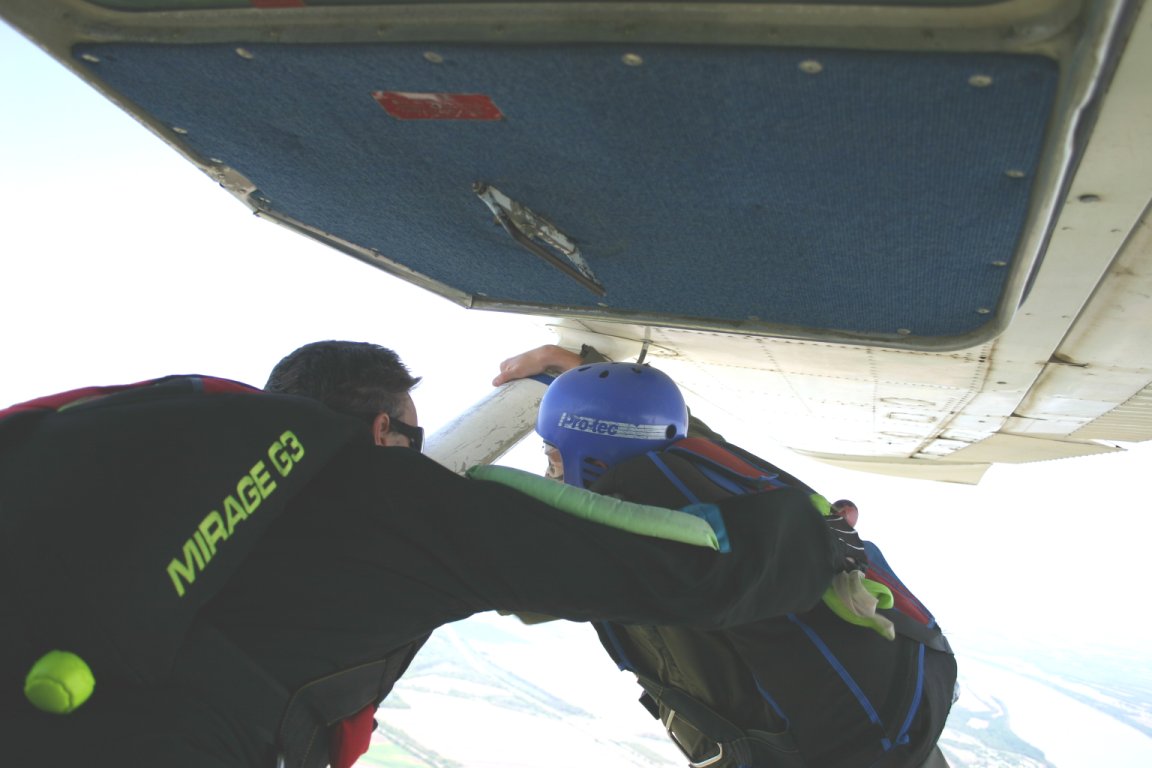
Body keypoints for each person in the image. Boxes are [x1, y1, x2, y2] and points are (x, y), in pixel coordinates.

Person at [1, 341, 858, 768]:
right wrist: (820, 533)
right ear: (383, 430)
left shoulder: (166, 461)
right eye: (411, 435)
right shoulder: (399, 496)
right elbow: (703, 570)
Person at [497, 346, 956, 768]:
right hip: (896, 728)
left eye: (553, 456)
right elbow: (662, 425)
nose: (549, 470)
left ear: (586, 456)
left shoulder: (641, 544)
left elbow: (515, 584)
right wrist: (591, 381)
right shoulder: (710, 476)